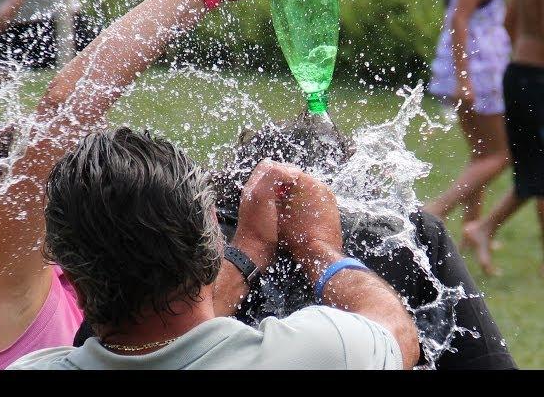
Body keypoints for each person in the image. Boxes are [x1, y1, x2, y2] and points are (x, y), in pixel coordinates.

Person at [0, 0, 413, 371]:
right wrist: (320, 249)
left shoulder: (50, 317)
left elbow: (165, 334)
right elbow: (395, 337)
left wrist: (245, 251)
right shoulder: (317, 352)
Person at [72, 111, 517, 369]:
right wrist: (319, 248)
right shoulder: (405, 239)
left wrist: (244, 254)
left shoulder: (54, 359)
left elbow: (119, 342)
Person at [424, 0, 511, 254]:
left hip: (470, 69)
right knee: (500, 155)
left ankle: (469, 235)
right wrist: (464, 79)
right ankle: (435, 210)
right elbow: (460, 20)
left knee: (480, 155)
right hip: (479, 71)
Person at [464, 0, 544, 276]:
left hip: (518, 76)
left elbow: (509, 26)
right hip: (536, 79)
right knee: (535, 170)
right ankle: (483, 228)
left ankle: (484, 229)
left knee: (533, 169)